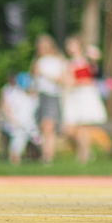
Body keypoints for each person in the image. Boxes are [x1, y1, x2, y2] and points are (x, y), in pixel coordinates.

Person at [61, 37, 112, 163]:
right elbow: (69, 81)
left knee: (85, 127)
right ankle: (85, 151)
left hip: (86, 95)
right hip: (76, 95)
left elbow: (96, 68)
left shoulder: (87, 60)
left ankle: (83, 155)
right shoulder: (69, 63)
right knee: (72, 128)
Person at [30, 33, 69, 162]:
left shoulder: (58, 61)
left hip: (52, 95)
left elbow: (61, 80)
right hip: (41, 96)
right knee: (41, 127)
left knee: (48, 127)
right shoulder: (37, 61)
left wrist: (44, 74)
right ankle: (44, 154)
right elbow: (34, 81)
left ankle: (48, 156)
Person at [0, 72, 41, 164]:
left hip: (30, 124)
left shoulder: (32, 97)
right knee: (17, 142)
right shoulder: (15, 94)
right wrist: (13, 121)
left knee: (38, 140)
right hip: (18, 123)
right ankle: (14, 162)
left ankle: (41, 159)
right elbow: (7, 108)